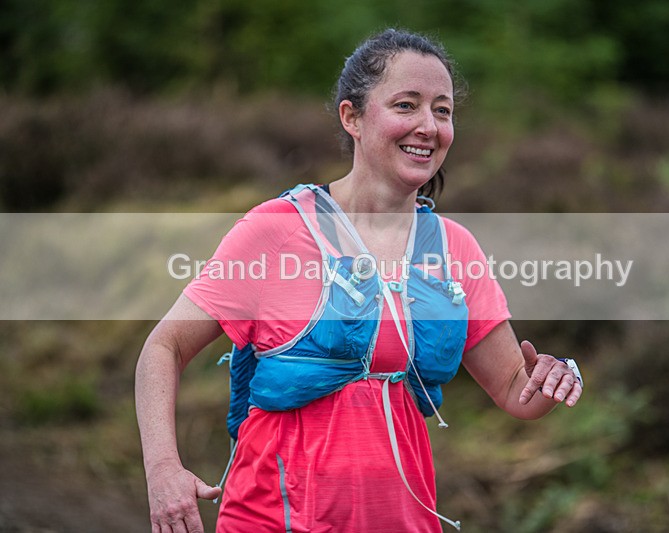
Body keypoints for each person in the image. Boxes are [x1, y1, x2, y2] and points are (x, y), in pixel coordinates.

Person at [136, 28, 583, 533]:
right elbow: (164, 346)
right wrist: (162, 470)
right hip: (272, 520)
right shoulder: (276, 231)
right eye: (406, 105)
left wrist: (557, 375)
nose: (428, 127)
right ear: (352, 117)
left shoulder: (455, 248)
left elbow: (513, 389)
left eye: (442, 110)